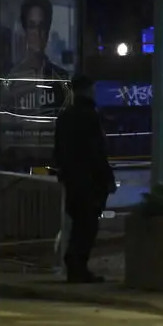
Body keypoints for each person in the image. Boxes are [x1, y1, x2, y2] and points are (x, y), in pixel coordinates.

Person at [52, 74, 115, 283]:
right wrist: (106, 177)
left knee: (79, 222)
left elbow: (59, 150)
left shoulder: (65, 116)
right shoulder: (89, 116)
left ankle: (75, 266)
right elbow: (97, 151)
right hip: (89, 179)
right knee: (87, 225)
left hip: (72, 178)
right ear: (88, 89)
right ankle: (78, 266)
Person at [9, 0, 70, 81]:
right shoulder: (14, 78)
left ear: (47, 30)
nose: (37, 33)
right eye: (32, 26)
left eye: (42, 26)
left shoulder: (61, 77)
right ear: (25, 31)